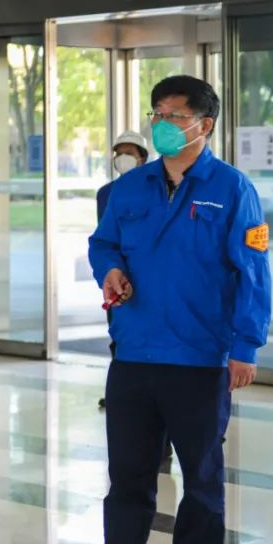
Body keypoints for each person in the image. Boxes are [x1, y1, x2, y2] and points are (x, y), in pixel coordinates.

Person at [89, 75, 272, 544]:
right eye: (158, 114)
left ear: (204, 125)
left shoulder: (232, 188)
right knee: (128, 477)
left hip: (200, 359)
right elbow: (103, 243)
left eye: (175, 115)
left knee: (202, 480)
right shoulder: (130, 188)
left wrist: (246, 346)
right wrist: (110, 269)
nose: (162, 124)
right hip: (134, 355)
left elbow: (253, 271)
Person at [96, 131, 150, 410]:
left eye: (130, 153)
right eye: (119, 153)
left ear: (142, 158)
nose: (123, 158)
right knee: (118, 336)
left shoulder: (153, 190)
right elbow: (105, 239)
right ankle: (119, 395)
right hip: (118, 279)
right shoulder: (106, 193)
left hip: (147, 278)